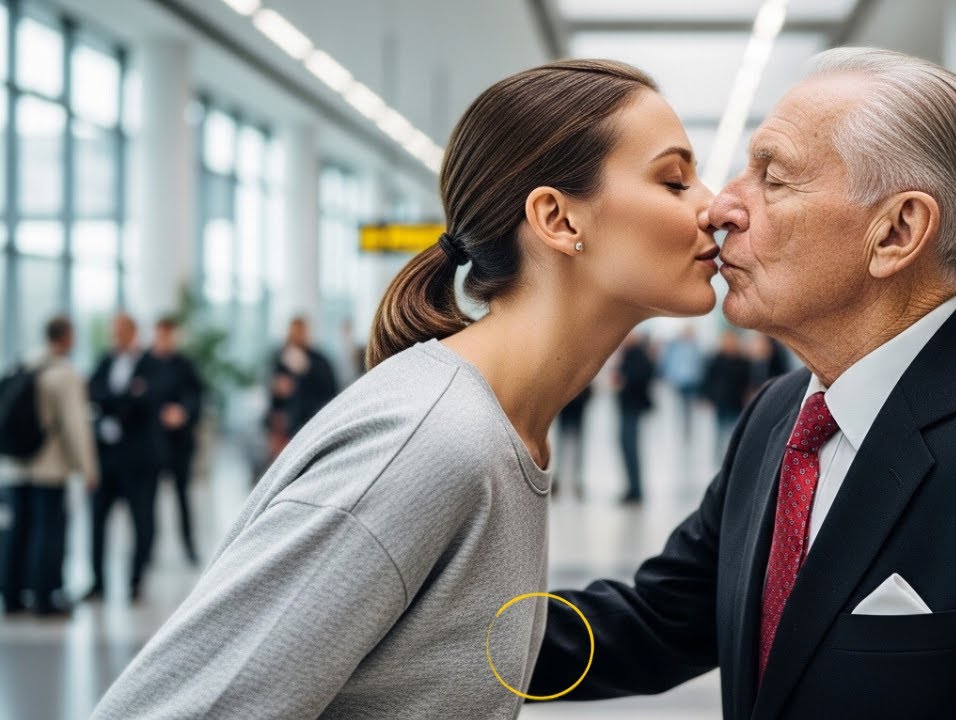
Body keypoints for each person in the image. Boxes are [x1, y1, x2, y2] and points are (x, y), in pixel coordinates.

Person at [530, 48, 956, 718]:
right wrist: (451, 633)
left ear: (897, 231)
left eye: (773, 177)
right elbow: (661, 619)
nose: (720, 208)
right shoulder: (779, 417)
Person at [93, 59, 719, 719]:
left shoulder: (505, 428)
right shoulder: (434, 442)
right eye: (675, 180)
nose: (715, 205)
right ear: (559, 220)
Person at [1, 317, 98, 617]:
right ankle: (45, 598)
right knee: (47, 532)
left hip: (15, 467)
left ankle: (12, 596)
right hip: (48, 467)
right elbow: (75, 427)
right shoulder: (64, 374)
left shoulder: (22, 365)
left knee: (16, 532)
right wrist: (89, 469)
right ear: (67, 337)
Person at [86, 313, 162, 603]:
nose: (115, 338)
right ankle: (97, 583)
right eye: (112, 332)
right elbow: (93, 391)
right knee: (97, 520)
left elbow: (146, 402)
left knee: (142, 521)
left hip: (140, 460)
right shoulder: (105, 361)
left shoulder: (151, 365)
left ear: (133, 333)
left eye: (120, 332)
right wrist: (124, 400)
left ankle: (135, 581)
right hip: (107, 458)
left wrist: (113, 403)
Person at [145, 317, 205, 566]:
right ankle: (147, 549)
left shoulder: (185, 365)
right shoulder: (145, 363)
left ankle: (189, 546)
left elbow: (198, 396)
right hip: (151, 444)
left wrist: (183, 412)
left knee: (183, 497)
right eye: (161, 334)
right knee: (147, 500)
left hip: (180, 443)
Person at [263, 316, 337, 463]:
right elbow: (274, 392)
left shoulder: (319, 361)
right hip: (285, 422)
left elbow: (330, 389)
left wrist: (306, 369)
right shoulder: (281, 357)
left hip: (310, 421)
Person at [616, 332, 655, 504]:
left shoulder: (638, 354)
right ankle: (632, 487)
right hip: (627, 407)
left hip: (633, 407)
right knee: (626, 447)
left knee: (630, 447)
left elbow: (643, 376)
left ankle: (635, 489)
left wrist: (625, 379)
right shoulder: (629, 354)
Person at [701, 329, 753, 457]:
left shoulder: (743, 360)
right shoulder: (716, 359)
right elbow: (709, 378)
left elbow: (747, 380)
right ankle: (718, 456)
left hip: (737, 400)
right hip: (721, 399)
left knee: (735, 430)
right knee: (720, 429)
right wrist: (708, 397)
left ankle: (732, 455)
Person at [658, 325, 703, 442]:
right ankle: (682, 426)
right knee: (681, 404)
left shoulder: (695, 347)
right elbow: (670, 362)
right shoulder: (676, 346)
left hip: (692, 381)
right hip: (679, 381)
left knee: (688, 405)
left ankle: (687, 427)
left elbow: (699, 364)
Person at [552, 385, 592, 500]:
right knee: (562, 447)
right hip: (567, 406)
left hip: (576, 405)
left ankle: (576, 481)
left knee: (576, 447)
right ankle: (563, 480)